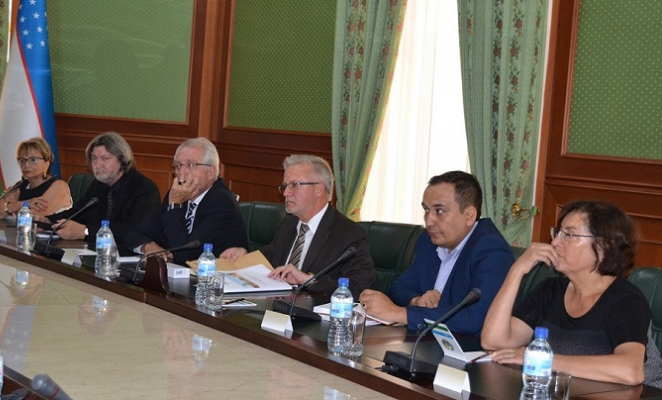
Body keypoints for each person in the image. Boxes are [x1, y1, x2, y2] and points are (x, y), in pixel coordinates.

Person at [481, 200, 651, 385]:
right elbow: (493, 341)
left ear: (603, 247)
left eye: (568, 235)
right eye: (558, 233)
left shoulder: (626, 300)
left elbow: (630, 371)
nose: (554, 242)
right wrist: (516, 271)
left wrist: (541, 359)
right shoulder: (550, 290)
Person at [358, 171, 514, 335]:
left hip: (468, 347)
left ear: (469, 215)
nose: (429, 221)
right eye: (426, 210)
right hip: (425, 341)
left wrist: (400, 314)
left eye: (439, 211)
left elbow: (475, 318)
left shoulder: (492, 250)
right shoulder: (429, 241)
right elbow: (398, 289)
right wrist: (417, 300)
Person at [220, 155, 374, 300]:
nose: (286, 193)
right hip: (277, 308)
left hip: (314, 314)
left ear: (319, 189)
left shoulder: (349, 234)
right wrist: (243, 256)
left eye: (294, 185)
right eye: (285, 186)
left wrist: (308, 280)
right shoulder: (289, 224)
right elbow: (268, 258)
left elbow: (358, 287)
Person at [125, 137, 247, 264]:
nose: (181, 172)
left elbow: (185, 256)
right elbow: (133, 235)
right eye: (178, 166)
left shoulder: (222, 202)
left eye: (191, 165)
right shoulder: (178, 196)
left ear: (211, 172)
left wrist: (175, 205)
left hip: (213, 274)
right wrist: (148, 246)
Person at [45, 132, 160, 249]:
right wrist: (47, 220)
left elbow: (134, 232)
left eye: (105, 158)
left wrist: (85, 231)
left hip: (128, 255)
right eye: (94, 159)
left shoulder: (144, 189)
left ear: (122, 160)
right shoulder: (98, 184)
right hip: (95, 251)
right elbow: (78, 213)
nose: (98, 165)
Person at [0, 138, 71, 219]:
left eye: (33, 160)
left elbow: (32, 216)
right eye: (22, 160)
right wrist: (25, 203)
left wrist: (11, 205)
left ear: (46, 163)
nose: (26, 165)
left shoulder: (59, 186)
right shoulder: (20, 186)